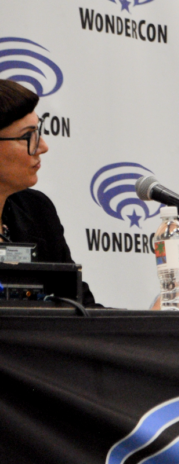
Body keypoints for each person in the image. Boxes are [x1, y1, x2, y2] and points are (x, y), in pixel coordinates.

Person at [0, 79, 102, 306]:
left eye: (38, 132)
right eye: (28, 136)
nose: (43, 147)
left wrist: (149, 319)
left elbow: (81, 309)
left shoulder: (36, 210)